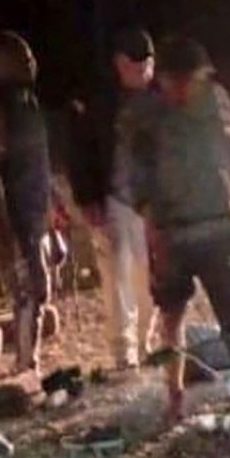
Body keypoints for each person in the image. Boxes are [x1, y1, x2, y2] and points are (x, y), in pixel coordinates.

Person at [130, 35, 230, 425]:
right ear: (163, 79)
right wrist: (153, 234)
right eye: (180, 80)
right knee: (171, 319)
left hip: (219, 229)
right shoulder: (145, 116)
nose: (188, 87)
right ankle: (174, 399)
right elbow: (139, 181)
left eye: (195, 79)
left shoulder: (214, 101)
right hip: (171, 235)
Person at [69, 28, 160, 369]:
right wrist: (86, 197)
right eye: (135, 66)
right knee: (117, 277)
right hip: (115, 201)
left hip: (154, 205)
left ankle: (146, 340)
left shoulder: (162, 98)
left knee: (152, 277)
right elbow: (80, 150)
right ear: (120, 64)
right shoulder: (99, 102)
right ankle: (123, 352)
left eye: (147, 65)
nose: (142, 72)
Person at [0, 30, 53, 373]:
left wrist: (52, 208)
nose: (32, 63)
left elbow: (38, 163)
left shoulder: (28, 103)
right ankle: (24, 364)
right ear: (3, 63)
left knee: (39, 289)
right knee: (29, 290)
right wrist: (2, 221)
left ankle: (27, 359)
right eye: (24, 58)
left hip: (34, 212)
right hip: (14, 215)